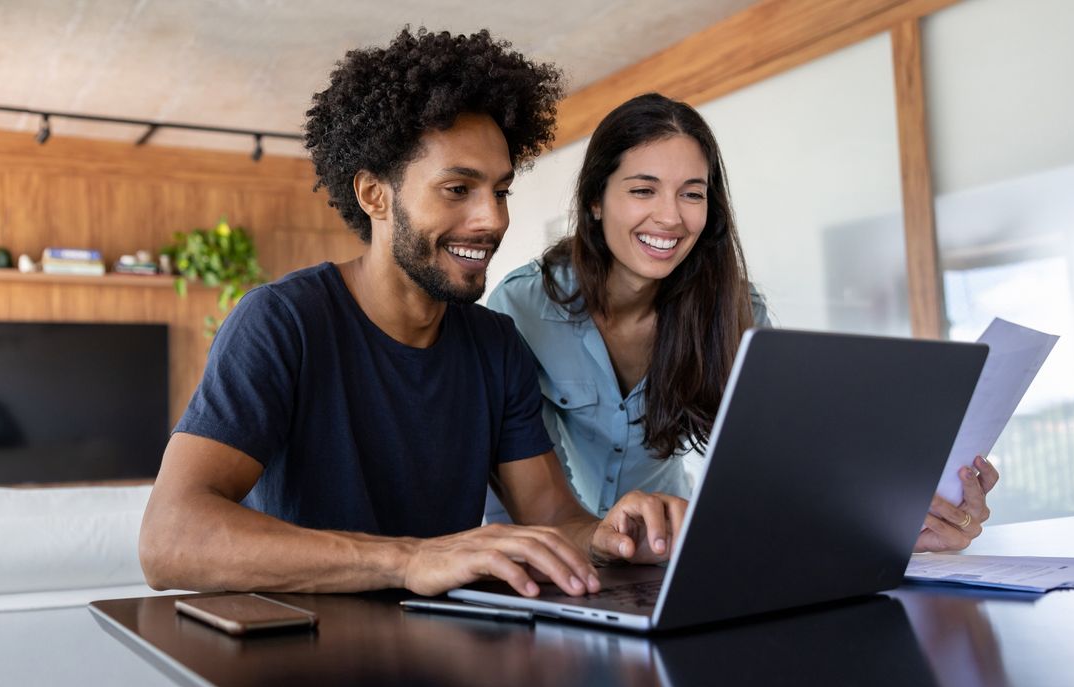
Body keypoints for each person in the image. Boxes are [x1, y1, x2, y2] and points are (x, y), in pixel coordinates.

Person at [139, 29, 689, 600]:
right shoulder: (282, 323)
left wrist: (610, 536)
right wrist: (408, 560)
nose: (492, 219)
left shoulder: (495, 345)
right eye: (457, 188)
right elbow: (170, 540)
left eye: (500, 191)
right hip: (303, 644)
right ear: (374, 195)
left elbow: (551, 515)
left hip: (441, 642)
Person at [484, 93, 997, 552]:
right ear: (595, 200)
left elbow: (791, 459)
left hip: (664, 553)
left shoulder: (734, 311)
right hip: (547, 553)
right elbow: (526, 486)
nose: (671, 217)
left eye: (692, 193)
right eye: (643, 190)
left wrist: (899, 518)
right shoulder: (522, 306)